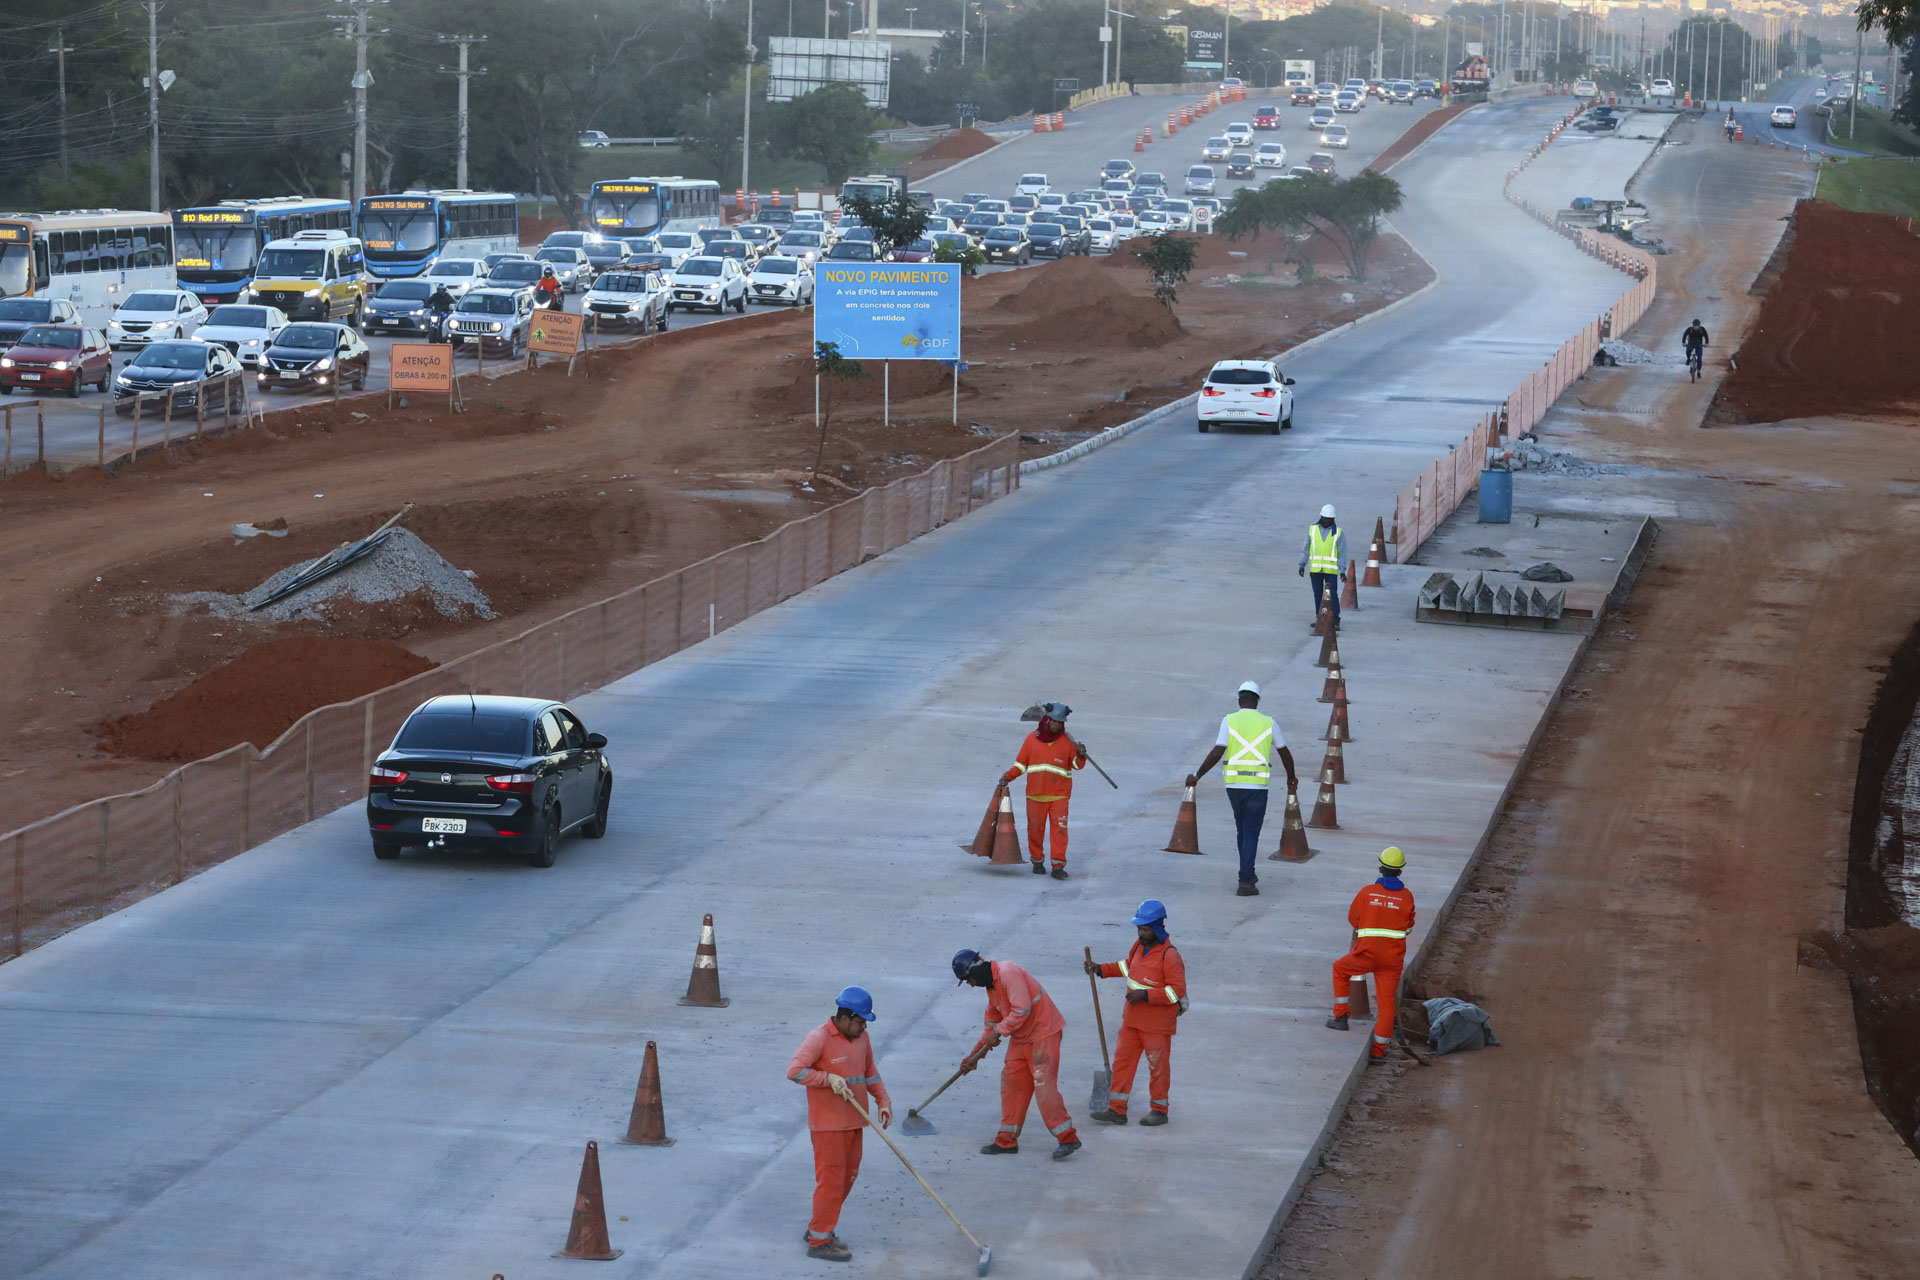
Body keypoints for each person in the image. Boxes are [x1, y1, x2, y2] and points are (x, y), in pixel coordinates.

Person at [786, 986, 893, 1262]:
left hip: (855, 1121)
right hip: (828, 1126)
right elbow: (795, 1071)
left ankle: (818, 1225)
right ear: (845, 1017)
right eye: (860, 1021)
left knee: (847, 1179)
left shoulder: (862, 1039)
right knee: (831, 1182)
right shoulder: (818, 1038)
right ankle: (820, 1240)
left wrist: (883, 1100)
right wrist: (827, 1079)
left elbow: (870, 1073)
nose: (864, 1026)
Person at [952, 949, 1081, 1160]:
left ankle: (1068, 1138)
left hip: (1043, 1034)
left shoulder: (1008, 972)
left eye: (969, 980)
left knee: (1043, 1088)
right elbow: (990, 1028)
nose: (972, 985)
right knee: (1012, 1085)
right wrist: (973, 1057)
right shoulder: (992, 990)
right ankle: (1006, 1140)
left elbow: (1022, 1010)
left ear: (977, 969)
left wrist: (1000, 1031)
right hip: (1022, 1039)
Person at [1187, 681, 1298, 896]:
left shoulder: (1229, 720)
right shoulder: (1269, 722)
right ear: (1257, 701)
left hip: (1234, 786)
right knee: (1251, 832)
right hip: (1257, 787)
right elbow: (1284, 752)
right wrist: (1291, 778)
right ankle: (1245, 880)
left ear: (1239, 700)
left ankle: (1248, 871)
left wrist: (1197, 775)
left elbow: (1217, 751)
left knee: (1242, 830)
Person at [1085, 899, 1187, 1126]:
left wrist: (1146, 996)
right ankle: (1116, 1109)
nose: (1141, 933)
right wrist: (1101, 969)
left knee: (1157, 1067)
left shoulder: (1169, 956)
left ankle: (1159, 1110)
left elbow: (1176, 992)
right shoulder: (1138, 947)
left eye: (1146, 929)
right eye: (1139, 928)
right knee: (1123, 1062)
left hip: (1156, 1025)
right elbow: (1127, 966)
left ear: (1158, 928)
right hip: (1132, 1021)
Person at [1326, 847, 1416, 1065]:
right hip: (1391, 961)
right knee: (1386, 1006)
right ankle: (1378, 1052)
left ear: (1380, 868)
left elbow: (1353, 919)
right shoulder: (1407, 897)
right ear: (1400, 872)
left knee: (1340, 969)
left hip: (1366, 954)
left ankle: (1340, 1016)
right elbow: (1408, 927)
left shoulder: (1367, 892)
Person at [1000, 701, 1087, 879]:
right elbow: (1020, 765)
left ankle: (1057, 865)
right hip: (1035, 795)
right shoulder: (1031, 739)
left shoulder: (1068, 741)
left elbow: (1077, 765)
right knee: (1035, 829)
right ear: (1047, 719)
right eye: (1054, 721)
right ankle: (1037, 861)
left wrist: (1080, 754)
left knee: (1060, 831)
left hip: (1059, 795)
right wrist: (1008, 776)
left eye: (1060, 722)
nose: (1056, 725)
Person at [1296, 504, 1347, 628]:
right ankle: (1320, 618)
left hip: (1331, 570)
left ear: (1333, 519)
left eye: (1329, 519)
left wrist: (1342, 570)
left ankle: (1335, 620)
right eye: (1325, 518)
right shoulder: (1312, 530)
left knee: (1332, 595)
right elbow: (1306, 549)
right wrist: (1302, 564)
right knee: (1318, 594)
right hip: (1316, 569)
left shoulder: (1338, 533)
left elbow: (1342, 553)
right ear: (1321, 517)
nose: (1327, 521)